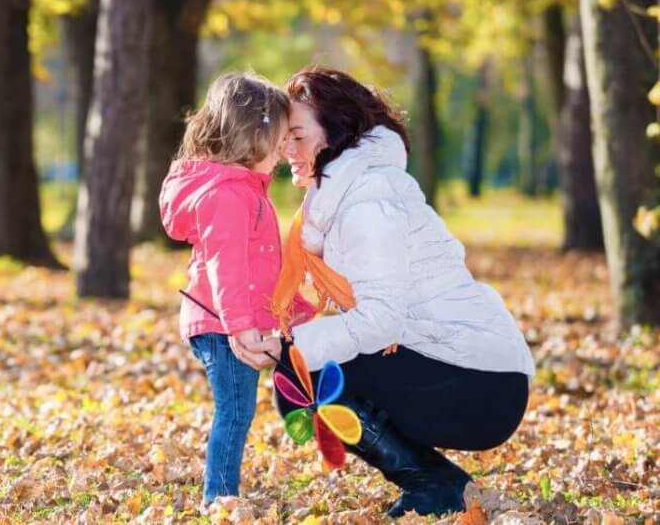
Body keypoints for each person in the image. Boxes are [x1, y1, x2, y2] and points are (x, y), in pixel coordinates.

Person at [233, 66, 535, 518]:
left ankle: (431, 484)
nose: (285, 148)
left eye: (297, 135)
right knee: (298, 373)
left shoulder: (369, 202)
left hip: (483, 383)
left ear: (335, 131)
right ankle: (440, 482)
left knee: (300, 376)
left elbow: (379, 322)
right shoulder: (343, 193)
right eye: (283, 137)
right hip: (458, 364)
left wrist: (291, 347)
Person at [159, 72, 315, 507]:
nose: (287, 150)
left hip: (231, 320)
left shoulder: (246, 189)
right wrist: (242, 328)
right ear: (256, 135)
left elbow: (264, 264)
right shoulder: (228, 196)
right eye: (283, 138)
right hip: (222, 324)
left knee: (240, 408)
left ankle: (222, 494)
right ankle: (219, 498)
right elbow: (227, 270)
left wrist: (295, 308)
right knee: (235, 410)